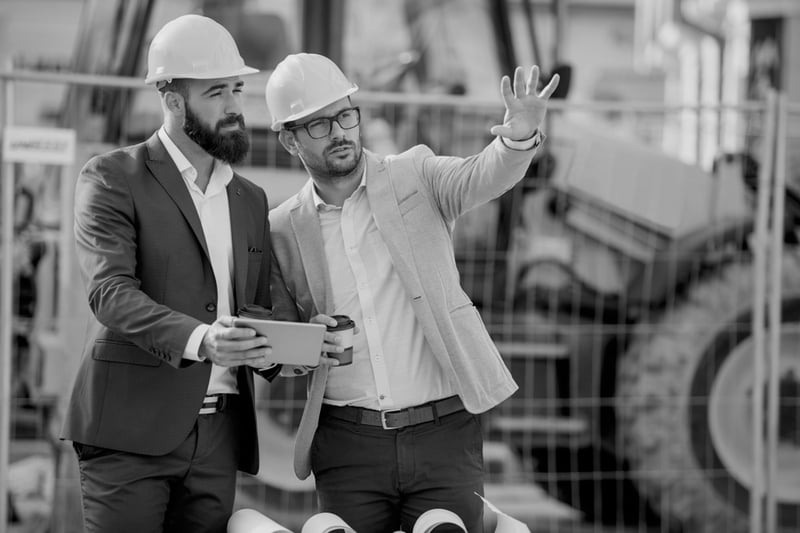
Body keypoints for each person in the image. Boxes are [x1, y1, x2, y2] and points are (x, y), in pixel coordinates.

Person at [265, 52, 559, 532]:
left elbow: (482, 175)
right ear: (289, 139)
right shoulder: (281, 228)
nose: (340, 132)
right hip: (346, 444)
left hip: (441, 434)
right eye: (319, 125)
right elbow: (284, 340)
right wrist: (305, 338)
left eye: (345, 115)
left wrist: (519, 136)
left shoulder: (415, 174)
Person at [60, 15, 278, 533]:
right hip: (129, 435)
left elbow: (257, 308)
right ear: (173, 98)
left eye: (237, 90)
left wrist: (302, 345)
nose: (233, 107)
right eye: (216, 92)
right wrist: (203, 340)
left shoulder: (250, 199)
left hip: (219, 436)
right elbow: (110, 293)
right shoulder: (113, 177)